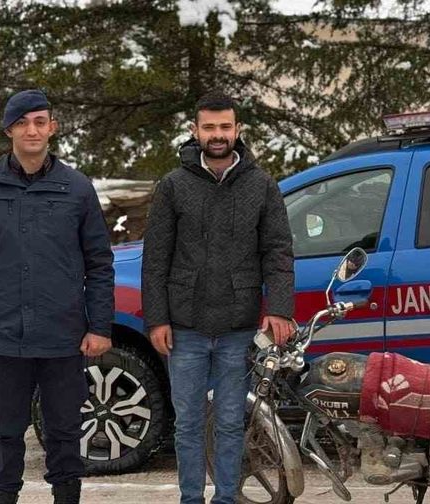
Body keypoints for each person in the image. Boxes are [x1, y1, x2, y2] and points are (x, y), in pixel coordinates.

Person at [142, 92, 295, 504]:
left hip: (238, 324)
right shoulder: (174, 186)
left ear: (237, 130)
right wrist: (157, 319)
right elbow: (155, 258)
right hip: (185, 326)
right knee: (189, 424)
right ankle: (191, 499)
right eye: (209, 127)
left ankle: (225, 498)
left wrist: (279, 308)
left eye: (225, 127)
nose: (217, 135)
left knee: (230, 422)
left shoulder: (261, 185)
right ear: (195, 131)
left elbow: (277, 251)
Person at [0, 89, 115, 504]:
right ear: (9, 130)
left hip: (62, 335)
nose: (31, 130)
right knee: (5, 433)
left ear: (52, 128)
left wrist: (99, 326)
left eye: (39, 121)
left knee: (65, 432)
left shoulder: (77, 188)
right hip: (0, 335)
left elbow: (99, 263)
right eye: (22, 123)